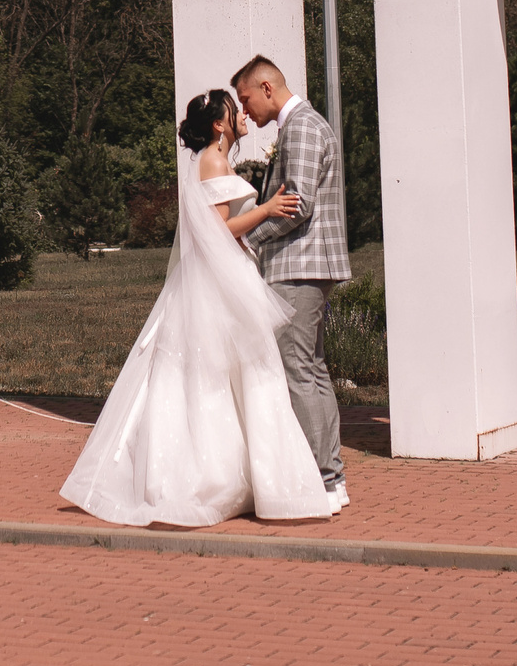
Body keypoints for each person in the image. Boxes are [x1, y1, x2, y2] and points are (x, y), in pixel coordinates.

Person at [58, 89, 340, 527]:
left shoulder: (219, 160)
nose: (242, 114)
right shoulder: (212, 160)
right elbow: (219, 229)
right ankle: (214, 479)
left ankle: (255, 479)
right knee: (224, 375)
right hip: (217, 282)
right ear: (219, 125)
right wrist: (267, 209)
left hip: (231, 275)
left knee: (245, 375)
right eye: (234, 109)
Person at [234, 54, 350, 505]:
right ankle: (331, 479)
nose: (245, 112)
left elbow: (297, 204)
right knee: (312, 370)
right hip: (306, 265)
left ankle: (324, 480)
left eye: (246, 99)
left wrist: (251, 240)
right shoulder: (303, 125)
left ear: (267, 88)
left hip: (299, 266)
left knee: (299, 371)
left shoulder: (300, 126)